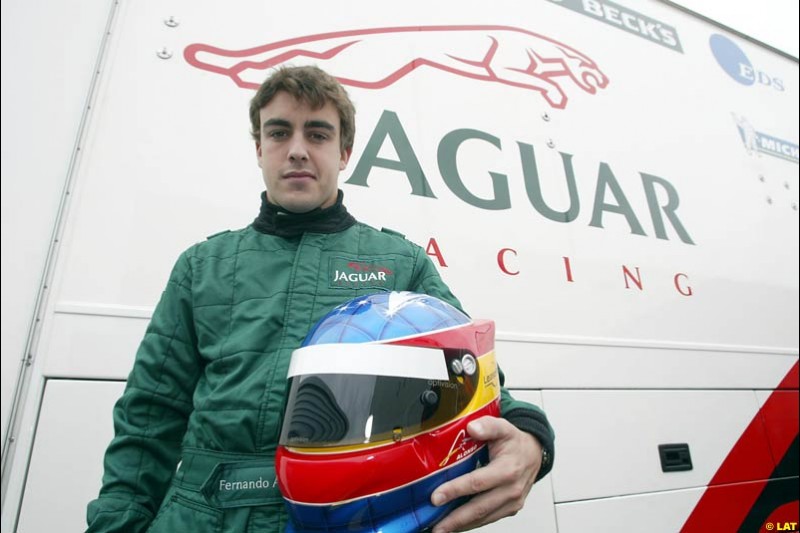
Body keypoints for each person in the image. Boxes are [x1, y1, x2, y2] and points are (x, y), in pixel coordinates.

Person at [86, 65, 554, 533]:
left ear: (344, 151)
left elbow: (471, 377)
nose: (296, 150)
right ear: (259, 148)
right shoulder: (202, 266)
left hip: (347, 517)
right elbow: (149, 414)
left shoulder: (399, 262)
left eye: (317, 134)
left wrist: (531, 436)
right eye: (279, 132)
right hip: (198, 519)